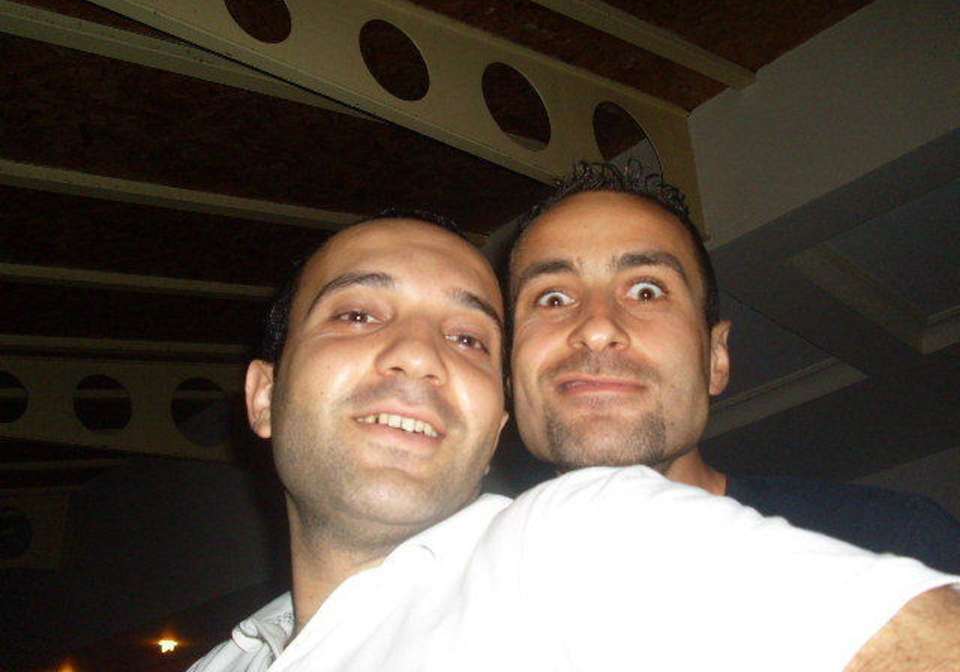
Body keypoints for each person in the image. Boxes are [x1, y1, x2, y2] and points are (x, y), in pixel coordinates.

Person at [190, 211, 959, 671]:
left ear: (493, 428)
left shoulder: (579, 533)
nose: (419, 356)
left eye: (467, 338)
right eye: (357, 315)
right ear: (263, 395)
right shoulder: (228, 658)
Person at [507, 160, 960, 574]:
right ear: (507, 375)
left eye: (647, 291)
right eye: (553, 298)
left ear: (715, 359)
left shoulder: (899, 548)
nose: (597, 328)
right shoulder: (466, 594)